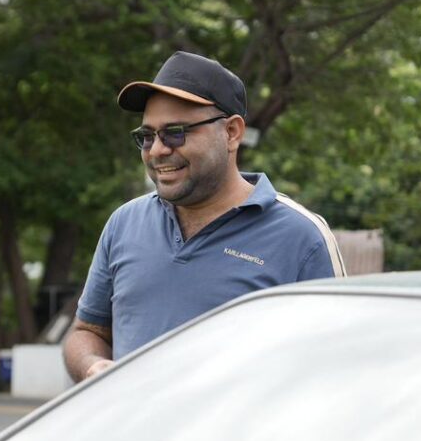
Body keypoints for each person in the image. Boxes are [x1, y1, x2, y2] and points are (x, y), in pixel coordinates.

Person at [64, 51, 346, 382]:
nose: (157, 150)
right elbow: (87, 331)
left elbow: (336, 365)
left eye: (176, 132)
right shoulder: (124, 224)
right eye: (147, 136)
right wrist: (93, 366)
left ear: (232, 133)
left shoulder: (302, 238)